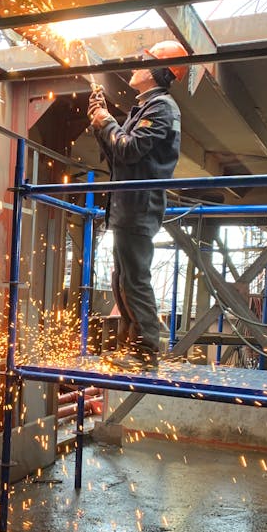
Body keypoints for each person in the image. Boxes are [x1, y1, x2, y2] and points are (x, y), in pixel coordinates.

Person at [87, 40, 189, 368]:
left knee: (135, 277)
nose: (135, 67)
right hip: (125, 206)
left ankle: (146, 351)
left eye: (143, 62)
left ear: (157, 72)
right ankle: (134, 346)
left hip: (139, 206)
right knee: (122, 278)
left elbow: (130, 150)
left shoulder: (163, 108)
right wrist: (100, 122)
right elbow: (118, 152)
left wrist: (107, 123)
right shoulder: (142, 109)